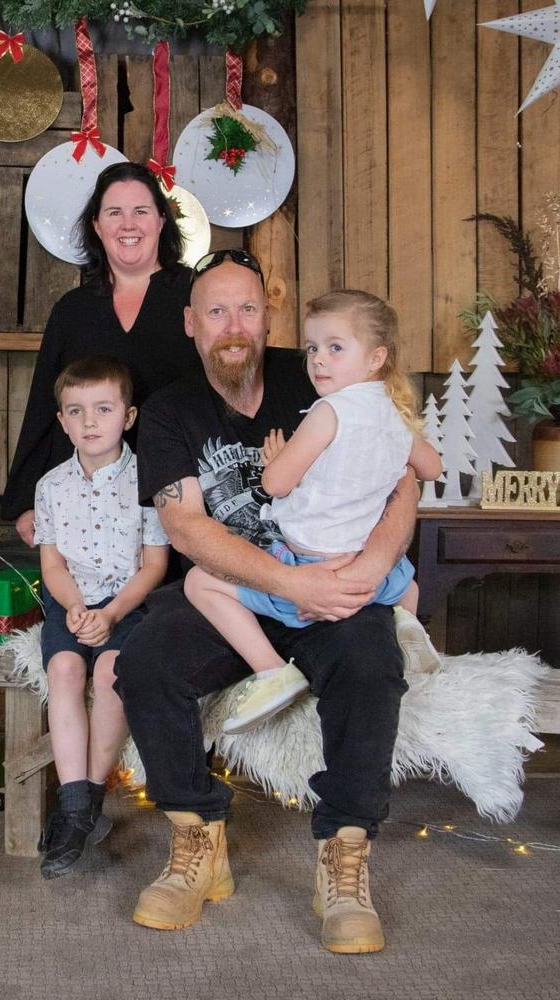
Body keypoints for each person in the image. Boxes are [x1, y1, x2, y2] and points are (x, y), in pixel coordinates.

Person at [113, 249, 420, 954]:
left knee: (372, 663)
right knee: (148, 660)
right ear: (191, 324)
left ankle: (343, 859)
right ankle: (198, 839)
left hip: (334, 579)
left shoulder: (323, 376)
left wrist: (371, 567)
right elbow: (186, 525)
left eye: (248, 308)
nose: (234, 325)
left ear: (269, 313)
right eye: (216, 310)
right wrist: (287, 583)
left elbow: (404, 476)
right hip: (243, 593)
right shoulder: (169, 413)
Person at [184, 289, 443, 735]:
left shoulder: (327, 412)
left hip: (311, 564)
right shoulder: (393, 415)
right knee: (407, 580)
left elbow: (275, 485)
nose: (318, 360)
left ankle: (271, 671)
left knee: (199, 581)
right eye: (313, 348)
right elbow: (432, 467)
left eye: (335, 348)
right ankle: (404, 624)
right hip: (371, 570)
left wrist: (277, 459)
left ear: (376, 357)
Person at [1, 160, 200, 546]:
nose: (129, 224)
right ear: (96, 225)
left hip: (181, 497)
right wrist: (27, 499)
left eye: (141, 211)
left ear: (161, 220)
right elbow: (45, 402)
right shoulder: (73, 309)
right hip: (86, 505)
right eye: (114, 212)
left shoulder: (196, 293)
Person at [34, 356, 169, 879]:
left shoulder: (148, 484)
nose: (90, 422)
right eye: (76, 411)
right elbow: (52, 563)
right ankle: (74, 805)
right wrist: (74, 607)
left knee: (111, 673)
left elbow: (154, 565)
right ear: (63, 420)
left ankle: (86, 801)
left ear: (128, 417)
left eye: (103, 409)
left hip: (127, 602)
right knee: (66, 670)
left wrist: (110, 613)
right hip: (70, 600)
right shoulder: (51, 487)